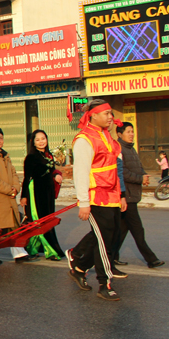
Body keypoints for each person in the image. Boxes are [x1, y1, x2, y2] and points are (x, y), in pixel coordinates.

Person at [67, 98, 126, 302]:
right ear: (93, 115)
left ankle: (79, 264)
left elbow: (115, 170)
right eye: (107, 114)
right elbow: (80, 172)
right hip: (96, 197)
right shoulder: (84, 139)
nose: (111, 117)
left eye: (111, 113)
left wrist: (122, 196)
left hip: (112, 196)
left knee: (109, 237)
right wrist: (83, 202)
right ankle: (105, 283)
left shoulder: (106, 136)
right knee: (104, 243)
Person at [0, 128, 38, 263]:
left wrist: (16, 188)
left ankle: (19, 253)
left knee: (14, 226)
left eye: (1, 137)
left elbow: (13, 174)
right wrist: (10, 190)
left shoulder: (6, 156)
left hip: (9, 197)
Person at [113, 122, 165, 268]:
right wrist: (139, 178)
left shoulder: (131, 148)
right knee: (137, 229)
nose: (131, 134)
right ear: (119, 134)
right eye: (128, 131)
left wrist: (144, 175)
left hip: (133, 194)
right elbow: (121, 172)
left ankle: (112, 256)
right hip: (126, 195)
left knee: (122, 229)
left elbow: (138, 167)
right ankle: (151, 259)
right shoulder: (119, 149)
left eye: (132, 131)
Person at [20, 130, 64, 260]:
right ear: (33, 142)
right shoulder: (31, 157)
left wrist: (56, 175)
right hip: (36, 192)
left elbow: (51, 171)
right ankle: (50, 250)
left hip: (48, 192)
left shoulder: (48, 155)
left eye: (43, 138)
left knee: (48, 219)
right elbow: (27, 178)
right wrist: (24, 196)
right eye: (37, 139)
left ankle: (34, 248)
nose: (41, 141)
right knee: (40, 220)